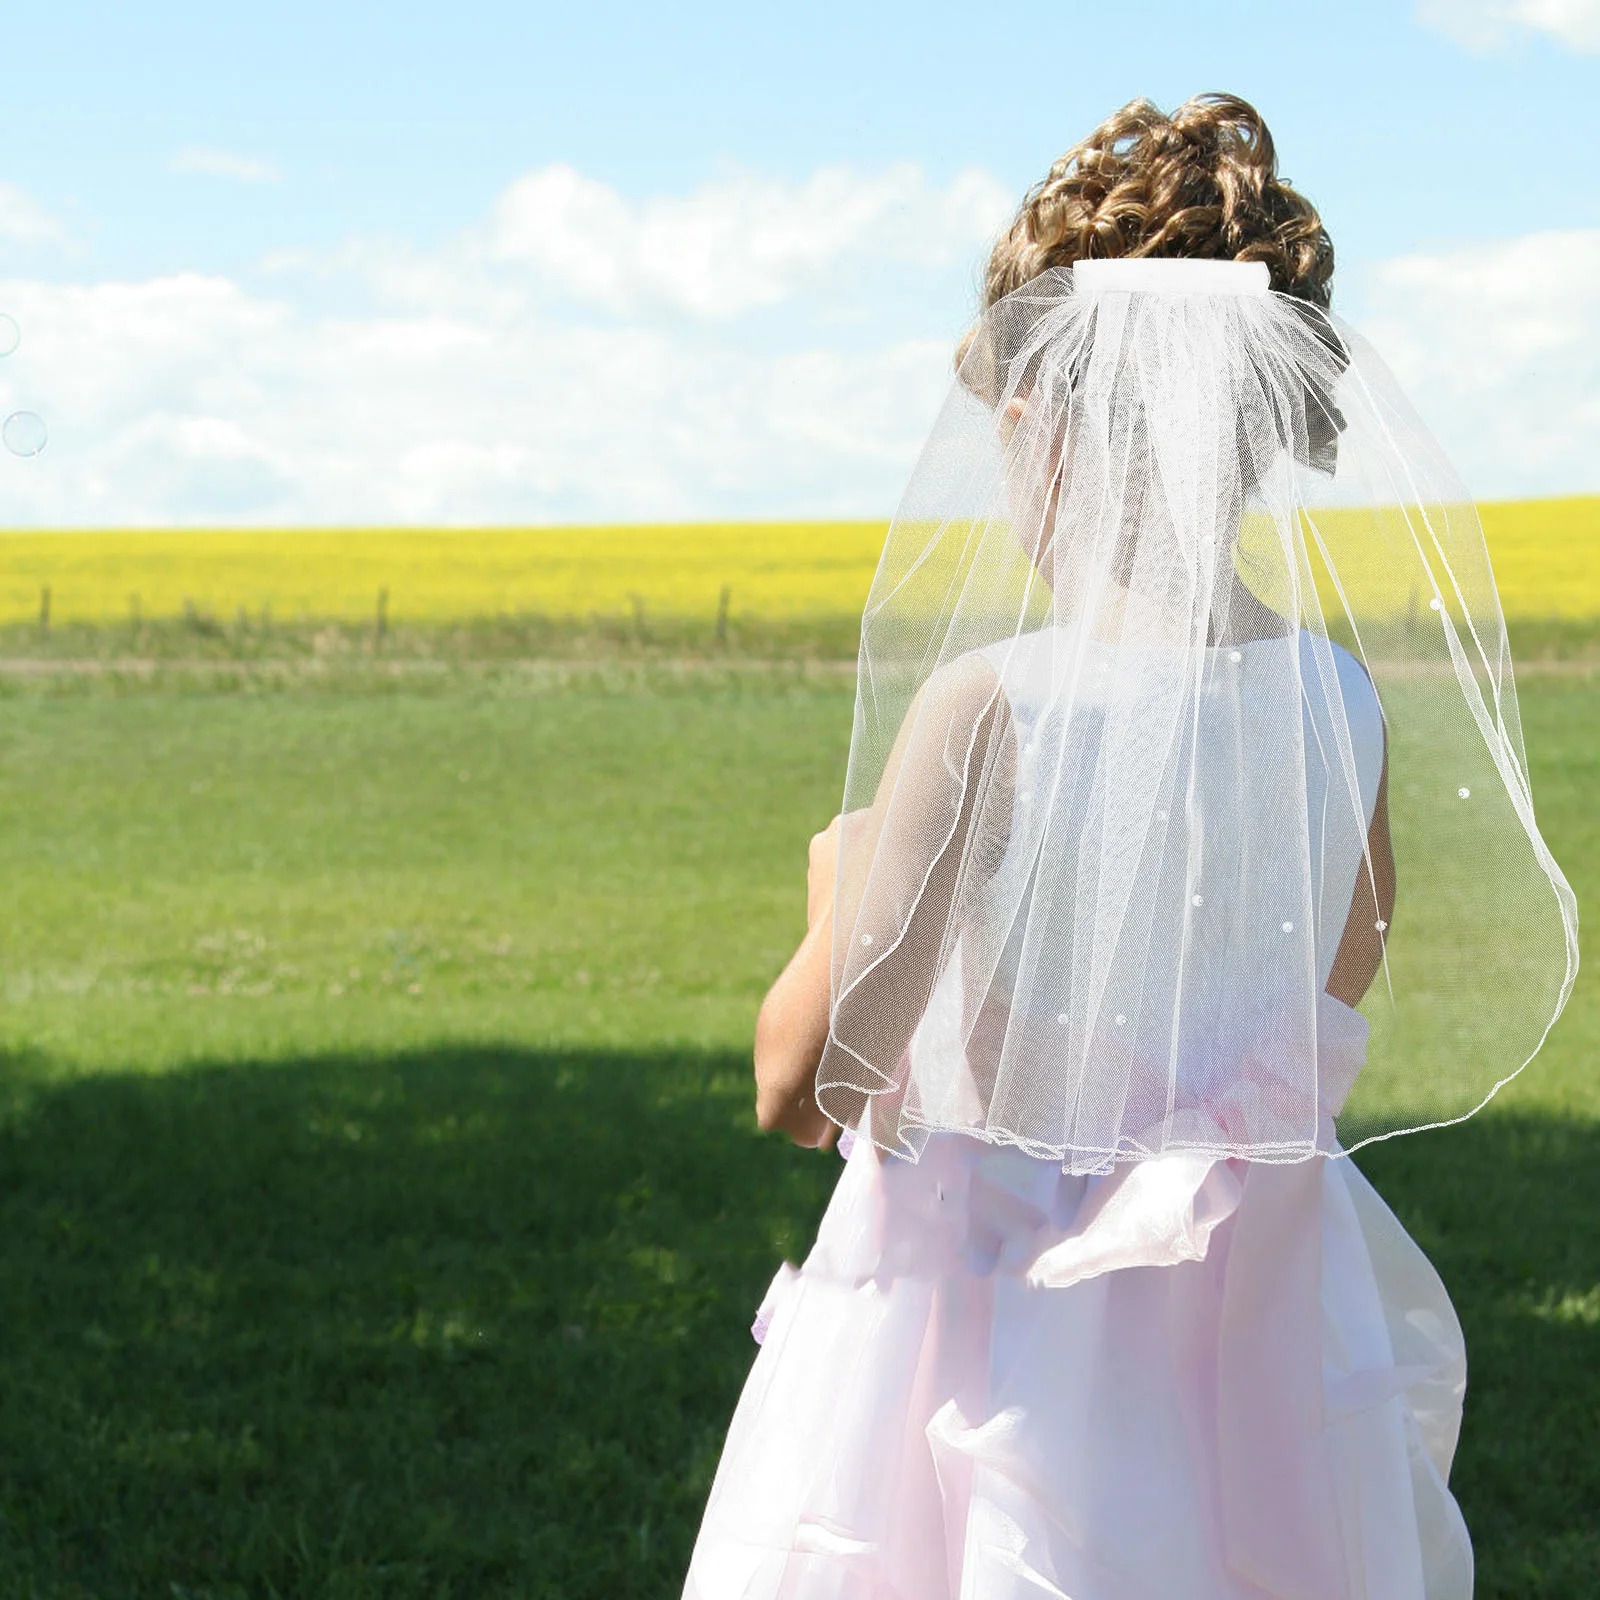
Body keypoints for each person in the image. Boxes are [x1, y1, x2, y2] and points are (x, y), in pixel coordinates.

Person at [683, 94, 1576, 1600]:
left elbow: (809, 1082)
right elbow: (1331, 991)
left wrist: (838, 891)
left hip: (991, 1343)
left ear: (1037, 424)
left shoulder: (990, 708)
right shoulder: (1335, 697)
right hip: (1244, 1347)